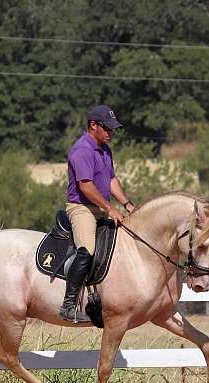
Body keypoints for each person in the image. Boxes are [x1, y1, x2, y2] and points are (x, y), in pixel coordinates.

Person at [59, 104, 135, 323]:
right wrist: (110, 209)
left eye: (113, 129)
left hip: (100, 207)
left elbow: (111, 180)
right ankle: (69, 304)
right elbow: (86, 187)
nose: (111, 133)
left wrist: (128, 204)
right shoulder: (81, 150)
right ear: (93, 125)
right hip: (82, 208)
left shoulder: (104, 149)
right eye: (107, 128)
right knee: (87, 250)